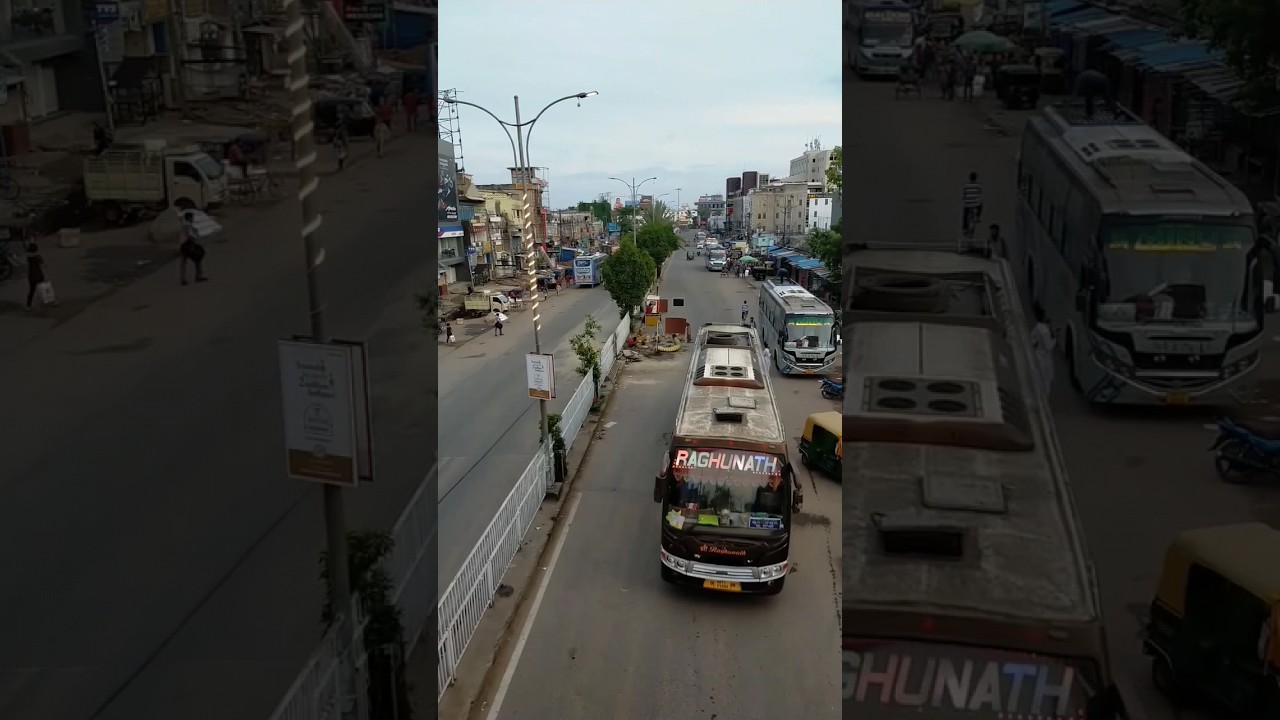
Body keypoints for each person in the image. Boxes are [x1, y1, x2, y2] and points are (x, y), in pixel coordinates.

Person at [1030, 304, 1056, 398]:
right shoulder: (1045, 331)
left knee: (1039, 379)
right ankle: (1045, 400)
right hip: (1044, 359)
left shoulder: (1037, 327)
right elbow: (1048, 346)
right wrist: (1054, 339)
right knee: (1045, 382)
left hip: (1037, 356)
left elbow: (1032, 340)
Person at [179, 211, 208, 285]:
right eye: (192, 217)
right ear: (189, 218)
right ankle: (198, 276)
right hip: (188, 245)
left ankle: (183, 278)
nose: (193, 219)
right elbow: (192, 235)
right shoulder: (188, 225)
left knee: (183, 262)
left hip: (182, 245)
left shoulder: (182, 224)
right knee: (198, 259)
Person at [23, 241, 49, 311]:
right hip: (39, 275)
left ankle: (28, 305)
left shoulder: (28, 258)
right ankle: (51, 300)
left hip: (31, 277)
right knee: (45, 288)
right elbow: (44, 265)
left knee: (31, 291)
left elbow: (26, 267)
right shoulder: (38, 257)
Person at [961, 172, 983, 238]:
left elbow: (963, 195)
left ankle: (964, 229)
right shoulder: (978, 186)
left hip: (967, 204)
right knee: (981, 205)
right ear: (976, 178)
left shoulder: (966, 186)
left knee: (965, 216)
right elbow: (979, 193)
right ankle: (978, 216)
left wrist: (965, 200)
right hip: (976, 204)